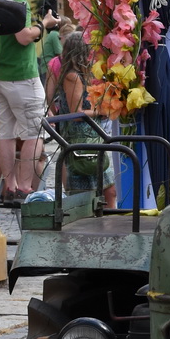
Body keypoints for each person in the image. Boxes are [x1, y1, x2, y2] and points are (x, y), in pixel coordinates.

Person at [0, 0, 57, 204]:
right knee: (34, 133)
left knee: (6, 134)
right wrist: (46, 24)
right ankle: (26, 187)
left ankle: (10, 185)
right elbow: (23, 36)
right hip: (23, 76)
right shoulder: (17, 1)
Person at [45, 30, 116, 207]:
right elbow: (77, 113)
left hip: (91, 138)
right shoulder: (73, 77)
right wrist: (100, 110)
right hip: (82, 140)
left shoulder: (79, 74)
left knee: (107, 191)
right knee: (91, 195)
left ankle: (107, 223)